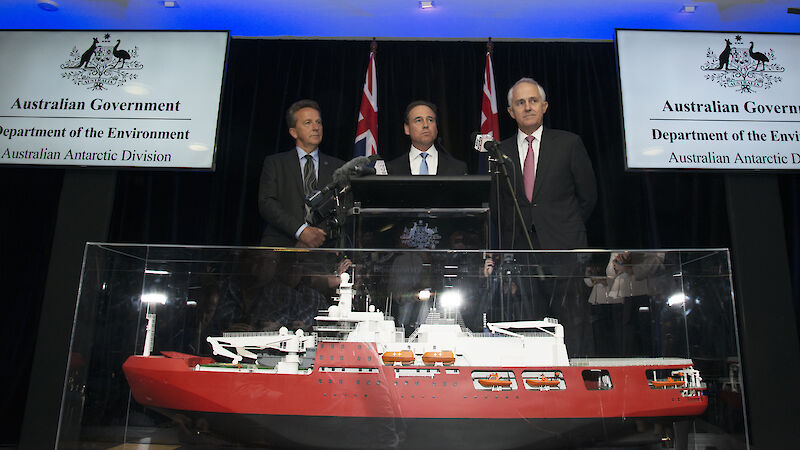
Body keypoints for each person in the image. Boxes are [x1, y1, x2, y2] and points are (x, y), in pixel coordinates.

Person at [495, 78, 597, 250]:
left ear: (544, 106)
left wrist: (565, 225)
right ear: (511, 112)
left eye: (533, 101)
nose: (527, 107)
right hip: (518, 248)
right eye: (520, 103)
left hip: (565, 245)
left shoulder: (569, 144)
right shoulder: (499, 151)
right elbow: (498, 205)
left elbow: (588, 197)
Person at [258, 100, 344, 247]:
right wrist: (301, 231)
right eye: (308, 123)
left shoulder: (338, 167)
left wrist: (317, 236)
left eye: (318, 122)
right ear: (293, 132)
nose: (316, 127)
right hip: (281, 248)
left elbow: (342, 209)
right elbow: (267, 203)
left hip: (323, 251)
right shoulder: (275, 163)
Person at [386, 100, 467, 175]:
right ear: (407, 129)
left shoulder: (458, 168)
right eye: (418, 120)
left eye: (430, 120)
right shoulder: (391, 169)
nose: (425, 125)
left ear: (436, 127)